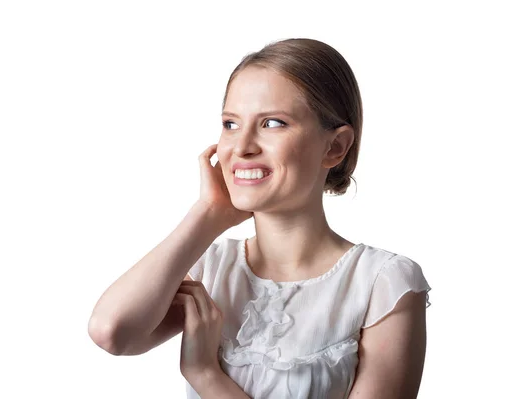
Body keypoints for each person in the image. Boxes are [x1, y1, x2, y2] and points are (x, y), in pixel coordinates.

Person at [88, 38, 432, 399]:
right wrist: (207, 216)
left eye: (272, 123)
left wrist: (206, 375)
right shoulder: (211, 267)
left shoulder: (383, 283)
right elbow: (111, 331)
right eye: (231, 123)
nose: (242, 147)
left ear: (335, 147)